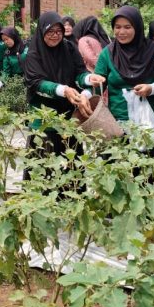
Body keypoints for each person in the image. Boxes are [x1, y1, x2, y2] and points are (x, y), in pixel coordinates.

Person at [23, 11, 93, 182]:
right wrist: (63, 90)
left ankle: (71, 206)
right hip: (44, 120)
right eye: (50, 32)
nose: (55, 36)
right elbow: (36, 83)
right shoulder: (32, 54)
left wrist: (89, 80)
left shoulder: (69, 48)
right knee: (42, 170)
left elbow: (79, 72)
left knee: (72, 168)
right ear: (41, 32)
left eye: (58, 31)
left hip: (69, 118)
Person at [90, 6, 154, 134]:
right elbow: (97, 84)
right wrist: (90, 87)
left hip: (151, 122)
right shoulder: (108, 53)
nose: (121, 32)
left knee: (153, 154)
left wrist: (152, 88)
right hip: (118, 124)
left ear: (137, 28)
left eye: (127, 27)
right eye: (117, 27)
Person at [0, 27, 25, 92]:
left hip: (33, 80)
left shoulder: (26, 46)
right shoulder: (7, 54)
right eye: (3, 40)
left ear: (13, 36)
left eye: (7, 39)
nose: (5, 42)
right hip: (18, 83)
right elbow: (6, 73)